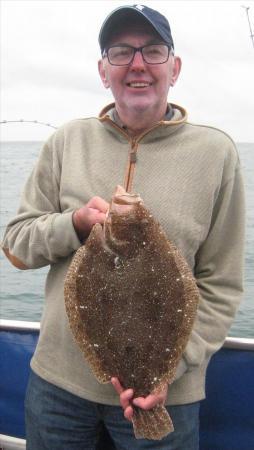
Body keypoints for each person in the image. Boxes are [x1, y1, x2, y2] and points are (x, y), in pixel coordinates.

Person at [2, 4, 245, 450]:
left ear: (175, 68)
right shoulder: (65, 142)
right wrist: (74, 225)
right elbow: (16, 246)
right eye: (121, 52)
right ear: (103, 70)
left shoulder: (217, 152)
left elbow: (222, 282)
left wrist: (171, 368)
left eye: (153, 51)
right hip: (59, 388)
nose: (137, 64)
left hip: (164, 394)